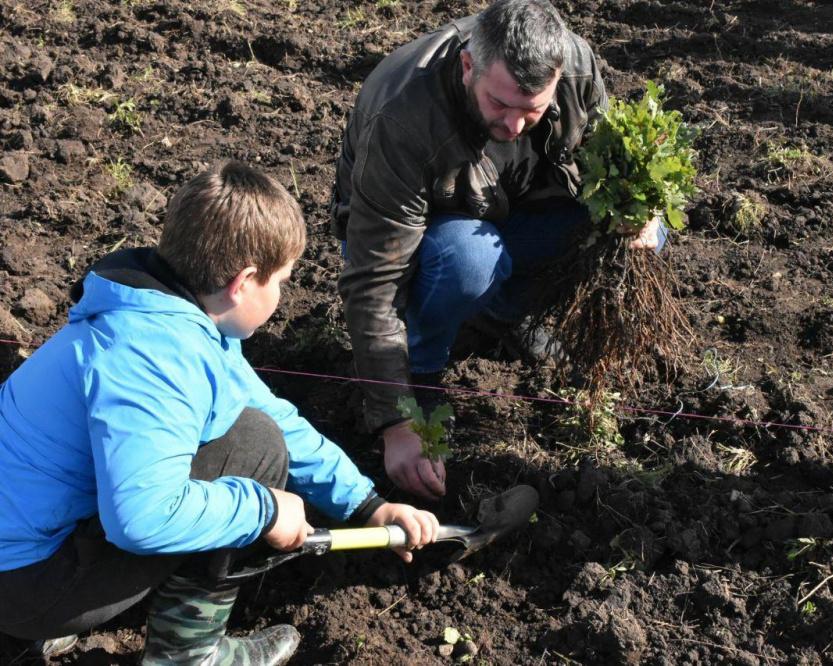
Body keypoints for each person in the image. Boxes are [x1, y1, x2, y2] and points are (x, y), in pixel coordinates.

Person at [0, 161, 439, 665]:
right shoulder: (154, 356)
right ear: (244, 281)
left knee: (256, 430)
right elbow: (139, 518)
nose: (281, 295)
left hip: (22, 551)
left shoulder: (160, 309)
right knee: (253, 450)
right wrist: (264, 509)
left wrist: (366, 506)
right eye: (281, 281)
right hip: (24, 583)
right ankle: (188, 654)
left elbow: (270, 411)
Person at [331, 0, 664, 501]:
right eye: (499, 105)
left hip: (507, 211)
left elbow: (612, 165)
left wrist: (642, 212)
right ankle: (423, 363)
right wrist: (396, 421)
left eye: (531, 110)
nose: (513, 126)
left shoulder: (575, 67)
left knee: (635, 230)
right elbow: (375, 279)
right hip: (420, 241)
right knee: (468, 260)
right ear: (469, 66)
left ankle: (503, 315)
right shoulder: (404, 115)